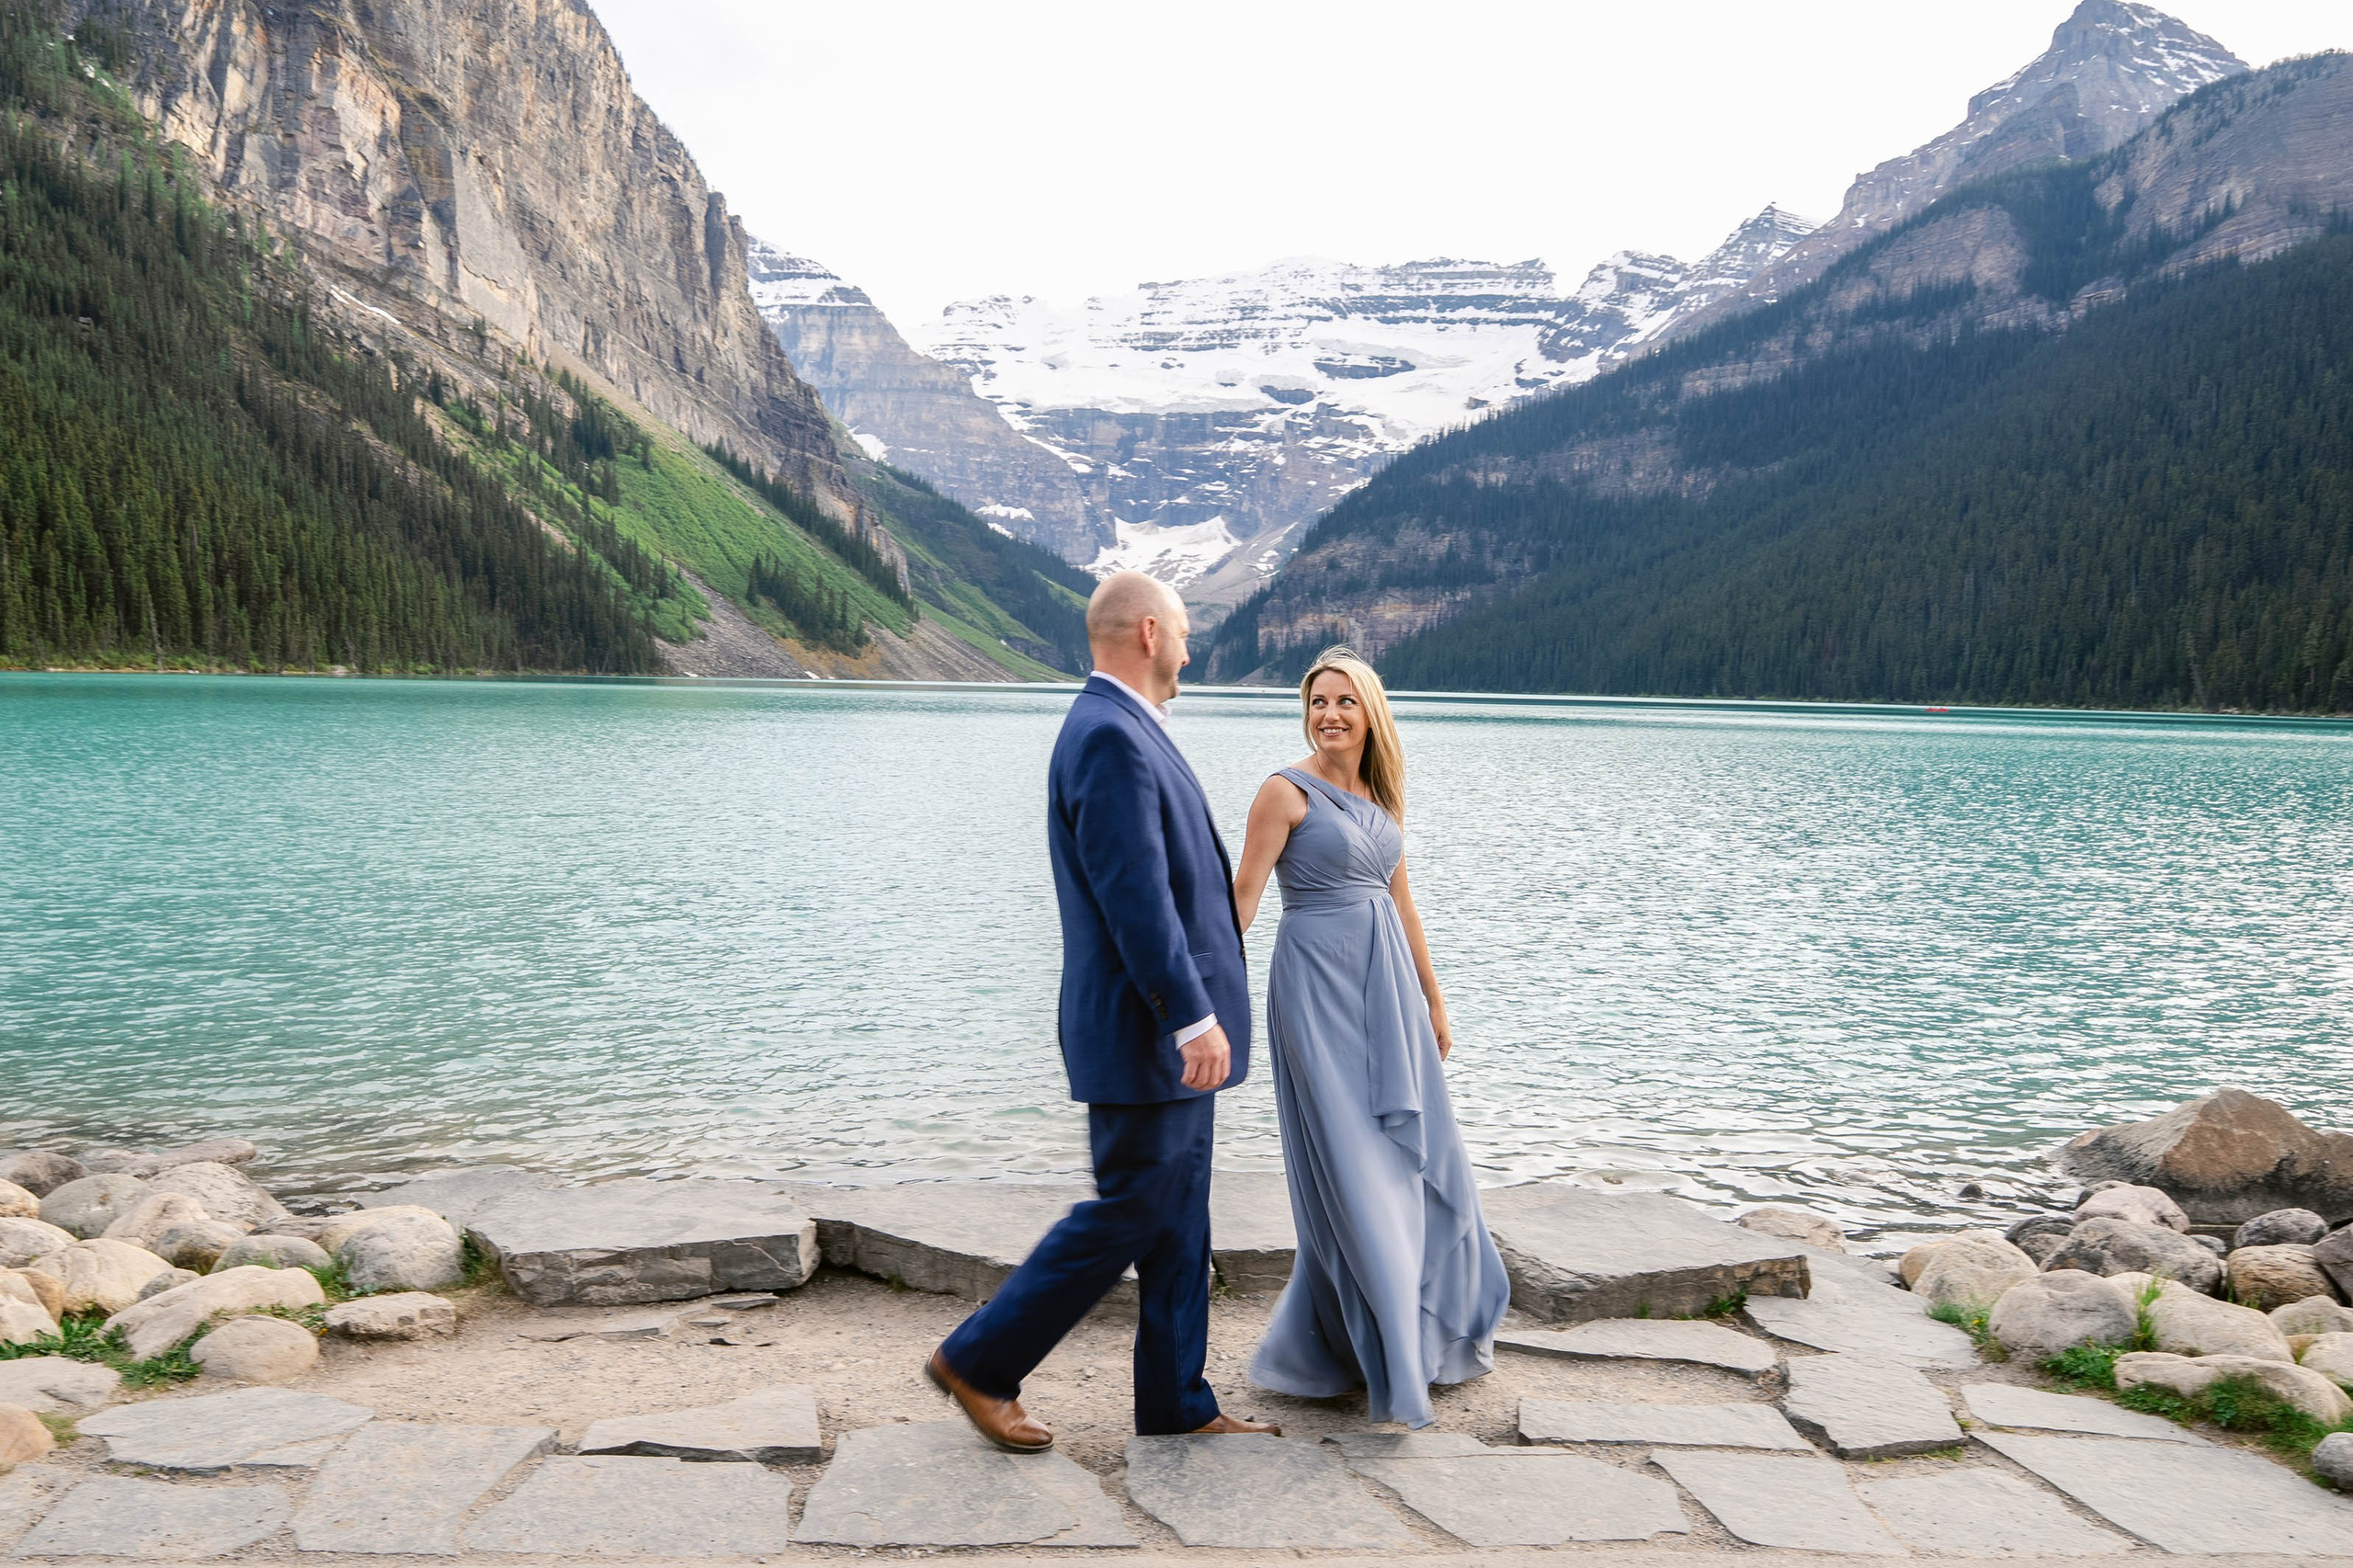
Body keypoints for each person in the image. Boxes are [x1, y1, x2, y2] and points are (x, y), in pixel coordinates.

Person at [926, 571, 1280, 1449]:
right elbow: (1135, 897)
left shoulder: (1126, 729)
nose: (1193, 653)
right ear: (1152, 633)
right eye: (1188, 635)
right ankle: (978, 1359)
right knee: (1132, 1206)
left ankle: (1176, 1402)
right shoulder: (1108, 735)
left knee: (1180, 1216)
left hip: (1162, 1032)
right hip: (1143, 1031)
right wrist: (1188, 1016)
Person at [1230, 645, 1508, 1427]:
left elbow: (1405, 905)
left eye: (1345, 702)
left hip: (1389, 999)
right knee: (1351, 1168)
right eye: (1318, 701)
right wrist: (1204, 996)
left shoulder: (1382, 800)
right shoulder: (1283, 794)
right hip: (1315, 991)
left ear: (1370, 713)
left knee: (1414, 1161)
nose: (1330, 714)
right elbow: (1241, 899)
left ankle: (1363, 1343)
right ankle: (1386, 1355)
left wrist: (1435, 999)